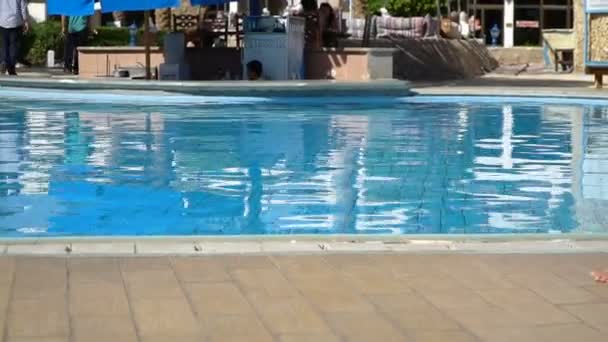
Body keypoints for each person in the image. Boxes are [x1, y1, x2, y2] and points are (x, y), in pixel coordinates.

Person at [0, 0, 29, 76]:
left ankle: (4, 61)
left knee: (4, 44)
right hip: (15, 21)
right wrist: (26, 21)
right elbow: (23, 7)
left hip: (2, 21)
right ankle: (11, 67)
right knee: (14, 45)